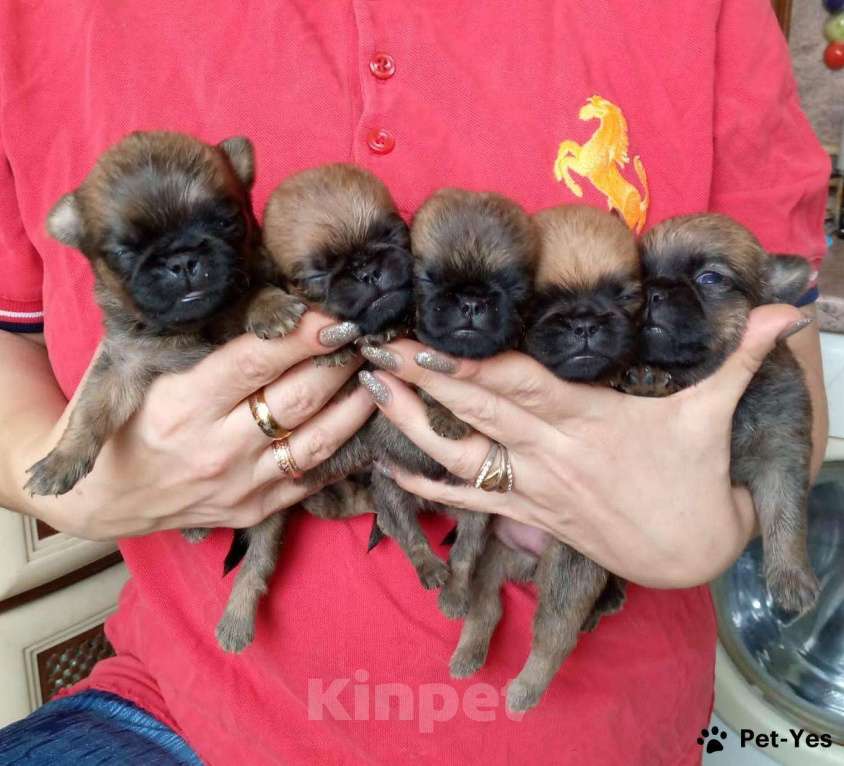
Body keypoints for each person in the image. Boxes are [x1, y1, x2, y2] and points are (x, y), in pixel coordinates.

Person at [0, 1, 829, 764]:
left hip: (594, 736)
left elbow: (774, 343)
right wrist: (69, 489)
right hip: (184, 715)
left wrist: (721, 526)